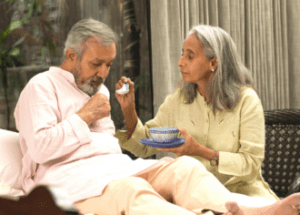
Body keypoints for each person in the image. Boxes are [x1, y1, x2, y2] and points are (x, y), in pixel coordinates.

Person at [14, 18, 299, 215]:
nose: (103, 73)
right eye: (96, 64)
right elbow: (40, 148)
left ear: (214, 63)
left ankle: (248, 211)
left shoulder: (94, 91)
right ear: (70, 55)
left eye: (108, 65)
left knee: (183, 167)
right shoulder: (41, 87)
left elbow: (115, 147)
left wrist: (196, 151)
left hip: (115, 168)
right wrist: (84, 116)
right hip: (74, 181)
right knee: (132, 188)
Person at [115, 25, 278, 201]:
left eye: (190, 56)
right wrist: (128, 109)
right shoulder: (178, 100)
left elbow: (250, 164)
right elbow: (144, 145)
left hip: (243, 194)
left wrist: (200, 151)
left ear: (213, 63)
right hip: (194, 196)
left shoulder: (247, 101)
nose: (180, 62)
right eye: (182, 53)